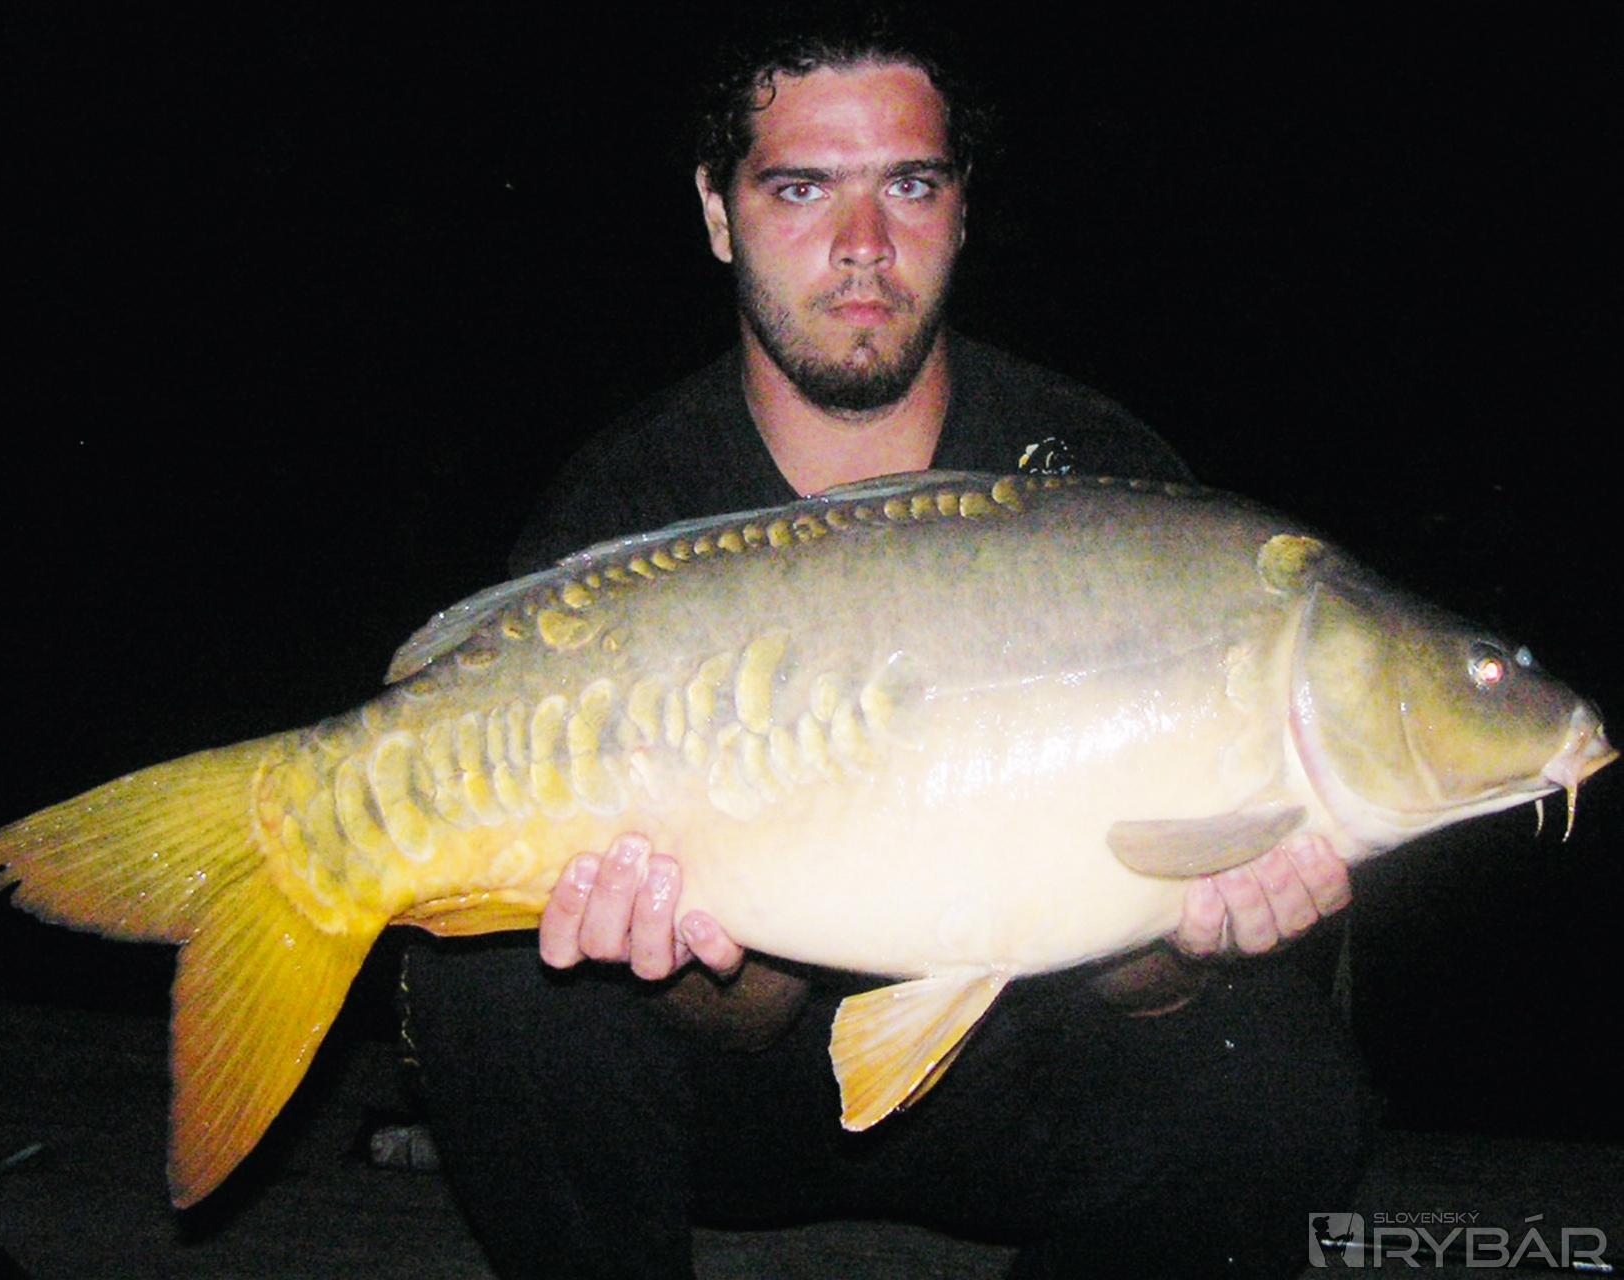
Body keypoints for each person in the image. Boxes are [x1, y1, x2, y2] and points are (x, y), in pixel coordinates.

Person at [403, 16, 1369, 1279]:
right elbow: (741, 1016)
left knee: (1284, 1078)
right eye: (801, 189)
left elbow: (1131, 986)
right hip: (724, 1099)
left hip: (1015, 1077)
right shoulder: (629, 501)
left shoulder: (1101, 486)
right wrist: (678, 939)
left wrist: (1191, 943)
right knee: (490, 987)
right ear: (717, 213)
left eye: (908, 186)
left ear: (960, 211)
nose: (862, 244)